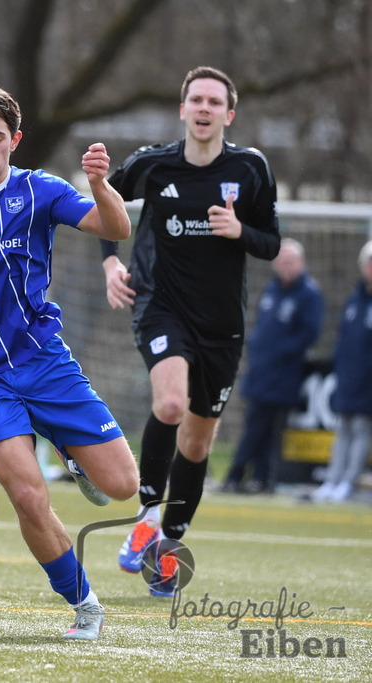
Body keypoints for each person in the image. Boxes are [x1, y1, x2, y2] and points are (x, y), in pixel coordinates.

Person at [0, 84, 139, 641]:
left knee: (122, 485)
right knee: (25, 494)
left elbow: (116, 228)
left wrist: (98, 184)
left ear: (14, 141)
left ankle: (72, 453)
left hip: (45, 363)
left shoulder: (40, 190)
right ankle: (84, 604)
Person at [101, 66, 281, 597]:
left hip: (222, 325)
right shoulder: (153, 164)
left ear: (229, 114)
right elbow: (103, 206)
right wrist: (111, 263)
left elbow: (271, 242)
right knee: (171, 406)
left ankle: (168, 545)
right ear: (183, 110)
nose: (204, 109)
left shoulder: (250, 169)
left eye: (214, 102)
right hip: (162, 308)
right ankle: (149, 512)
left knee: (198, 445)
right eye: (195, 100)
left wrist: (239, 230)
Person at [221, 238, 324, 494]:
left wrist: (280, 353)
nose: (285, 266)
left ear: (300, 263)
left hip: (283, 376)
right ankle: (260, 480)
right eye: (281, 262)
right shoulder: (272, 289)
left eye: (290, 261)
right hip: (260, 372)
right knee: (259, 428)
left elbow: (309, 334)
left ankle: (238, 477)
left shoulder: (309, 294)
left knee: (262, 430)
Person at [311, 240, 372, 503]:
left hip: (368, 382)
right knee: (342, 430)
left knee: (360, 430)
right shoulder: (354, 300)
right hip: (349, 378)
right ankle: (332, 481)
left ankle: (349, 482)